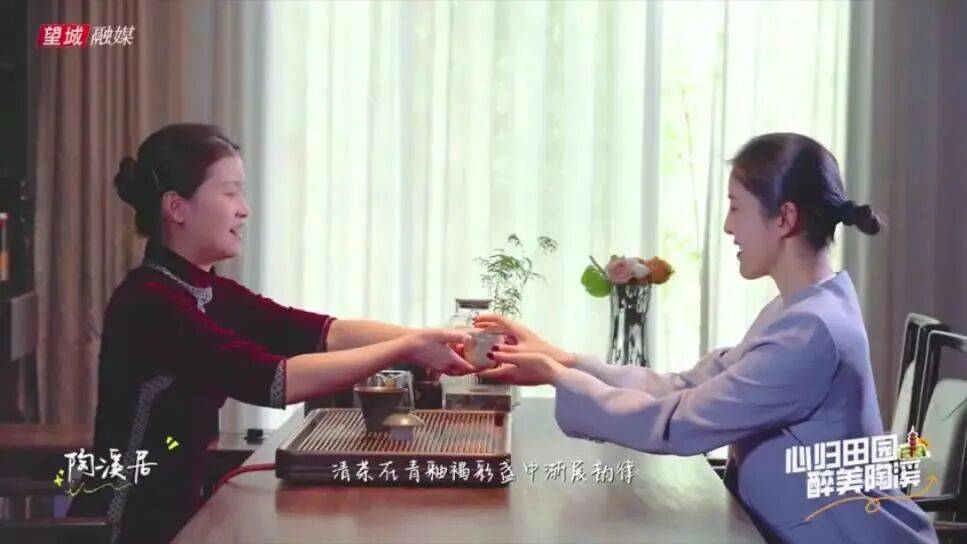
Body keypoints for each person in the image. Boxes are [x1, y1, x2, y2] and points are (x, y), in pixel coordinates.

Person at [475, 133, 939, 543]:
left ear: (785, 218)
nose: (728, 226)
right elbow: (687, 386)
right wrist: (563, 359)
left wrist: (556, 376)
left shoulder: (811, 331)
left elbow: (678, 422)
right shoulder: (798, 309)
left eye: (736, 207)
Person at [66, 123, 474, 543]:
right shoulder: (150, 303)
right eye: (230, 193)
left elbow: (321, 333)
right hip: (128, 529)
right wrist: (406, 348)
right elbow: (274, 380)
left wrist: (431, 338)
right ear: (177, 208)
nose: (244, 209)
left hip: (186, 517)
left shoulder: (205, 290)